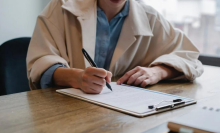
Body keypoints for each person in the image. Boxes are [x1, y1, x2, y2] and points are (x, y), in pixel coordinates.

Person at [26, 0, 204, 94]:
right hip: (63, 113)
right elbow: (40, 62)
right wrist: (77, 77)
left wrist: (157, 71)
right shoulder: (61, 6)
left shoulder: (150, 18)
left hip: (122, 117)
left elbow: (190, 57)